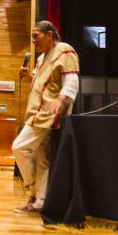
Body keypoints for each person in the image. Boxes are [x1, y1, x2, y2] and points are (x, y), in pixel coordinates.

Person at [12, 20, 79, 214]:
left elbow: (71, 80)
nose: (33, 40)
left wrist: (62, 99)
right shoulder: (42, 58)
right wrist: (29, 77)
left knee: (19, 147)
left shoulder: (65, 50)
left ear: (49, 34)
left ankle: (32, 190)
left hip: (47, 114)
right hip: (36, 112)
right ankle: (40, 202)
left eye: (36, 36)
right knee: (42, 159)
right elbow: (43, 83)